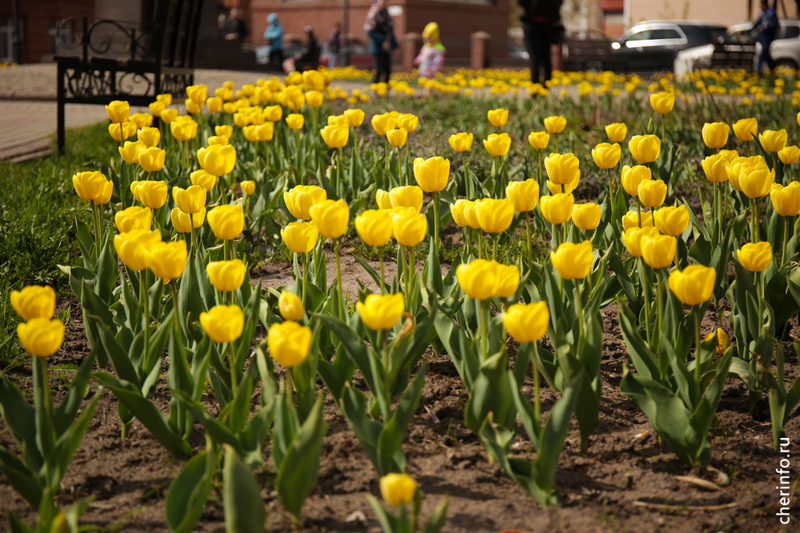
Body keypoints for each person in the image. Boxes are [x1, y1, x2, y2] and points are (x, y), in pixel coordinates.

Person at [518, 0, 562, 85]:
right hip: (543, 24)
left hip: (536, 23)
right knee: (543, 57)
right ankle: (542, 86)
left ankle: (538, 86)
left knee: (538, 57)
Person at [364, 0, 397, 83]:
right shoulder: (374, 13)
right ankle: (375, 87)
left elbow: (390, 31)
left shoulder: (387, 14)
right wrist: (383, 40)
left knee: (387, 70)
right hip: (377, 46)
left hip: (387, 46)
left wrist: (394, 45)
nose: (385, 3)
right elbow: (369, 30)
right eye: (383, 1)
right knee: (379, 69)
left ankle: (385, 88)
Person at [755, 0, 779, 72]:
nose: (760, 7)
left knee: (763, 53)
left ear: (765, 5)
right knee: (766, 55)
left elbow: (775, 25)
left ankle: (758, 70)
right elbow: (757, 23)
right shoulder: (762, 14)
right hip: (763, 37)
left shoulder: (771, 13)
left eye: (761, 6)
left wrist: (765, 28)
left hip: (768, 37)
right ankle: (773, 68)